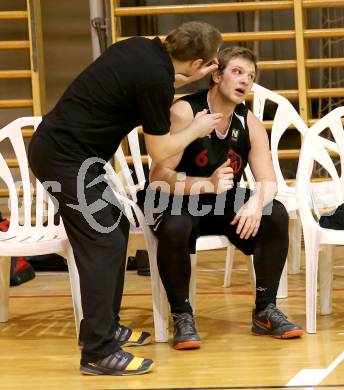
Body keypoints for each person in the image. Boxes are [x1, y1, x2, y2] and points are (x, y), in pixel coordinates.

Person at [28, 21, 223, 375]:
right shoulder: (155, 79)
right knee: (102, 242)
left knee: (115, 227)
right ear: (196, 63)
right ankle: (98, 351)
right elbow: (161, 149)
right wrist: (196, 128)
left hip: (67, 154)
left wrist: (183, 80)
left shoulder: (141, 49)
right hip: (64, 159)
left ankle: (107, 327)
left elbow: (153, 83)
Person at [145, 46, 304, 350]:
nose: (245, 80)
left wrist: (256, 203)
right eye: (237, 71)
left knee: (276, 213)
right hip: (178, 198)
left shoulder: (250, 123)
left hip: (220, 200)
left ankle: (265, 311)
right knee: (175, 225)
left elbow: (268, 180)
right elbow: (159, 178)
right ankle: (182, 315)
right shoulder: (185, 112)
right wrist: (206, 184)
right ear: (216, 75)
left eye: (251, 76)